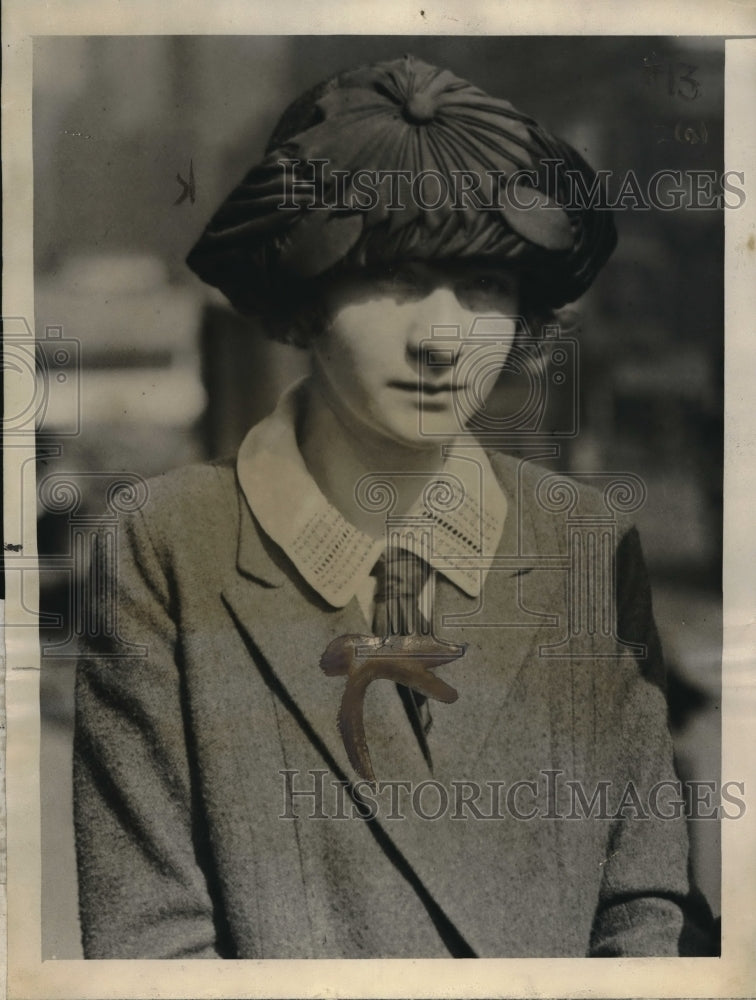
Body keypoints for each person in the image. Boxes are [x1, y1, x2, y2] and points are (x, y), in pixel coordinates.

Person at [73, 54, 714, 959]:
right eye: (399, 277)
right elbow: (152, 946)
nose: (442, 339)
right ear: (306, 297)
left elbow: (646, 907)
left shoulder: (586, 544)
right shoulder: (170, 546)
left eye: (485, 285)